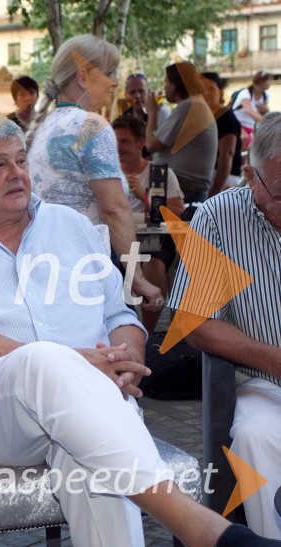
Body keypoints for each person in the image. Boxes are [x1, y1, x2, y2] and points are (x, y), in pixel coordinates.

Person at [0, 115, 281, 547]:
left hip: (88, 404)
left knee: (90, 457)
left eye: (21, 161)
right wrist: (75, 364)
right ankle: (201, 529)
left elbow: (120, 315)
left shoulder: (72, 226)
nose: (17, 173)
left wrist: (127, 362)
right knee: (45, 359)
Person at [169, 114, 281, 539]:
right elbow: (193, 321)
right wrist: (274, 360)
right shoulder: (217, 218)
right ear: (250, 176)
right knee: (256, 435)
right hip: (262, 380)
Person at [27, 34, 163, 310]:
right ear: (83, 76)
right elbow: (113, 209)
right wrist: (136, 278)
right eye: (110, 72)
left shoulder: (44, 126)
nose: (116, 82)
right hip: (88, 268)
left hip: (46, 266)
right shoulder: (92, 126)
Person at [113, 115, 184, 333]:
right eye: (115, 141)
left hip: (155, 237)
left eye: (124, 141)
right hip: (119, 237)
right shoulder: (108, 176)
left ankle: (148, 331)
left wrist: (144, 196)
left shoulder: (158, 173)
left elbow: (177, 211)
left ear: (140, 143)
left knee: (153, 262)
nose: (118, 147)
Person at [145, 62, 217, 204]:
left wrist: (152, 112)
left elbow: (151, 145)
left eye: (166, 82)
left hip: (184, 186)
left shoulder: (189, 106)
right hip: (187, 186)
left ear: (175, 84)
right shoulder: (194, 104)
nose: (164, 87)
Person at [200, 72, 243, 196]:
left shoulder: (225, 117)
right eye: (201, 90)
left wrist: (216, 191)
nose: (206, 93)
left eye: (210, 89)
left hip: (223, 179)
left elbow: (227, 154)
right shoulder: (204, 116)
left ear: (220, 93)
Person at [231, 70, 272, 149]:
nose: (270, 83)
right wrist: (268, 122)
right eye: (269, 80)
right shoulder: (246, 93)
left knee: (252, 149)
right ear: (261, 82)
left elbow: (263, 113)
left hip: (250, 126)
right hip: (237, 123)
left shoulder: (265, 96)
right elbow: (250, 112)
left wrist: (266, 110)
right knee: (244, 137)